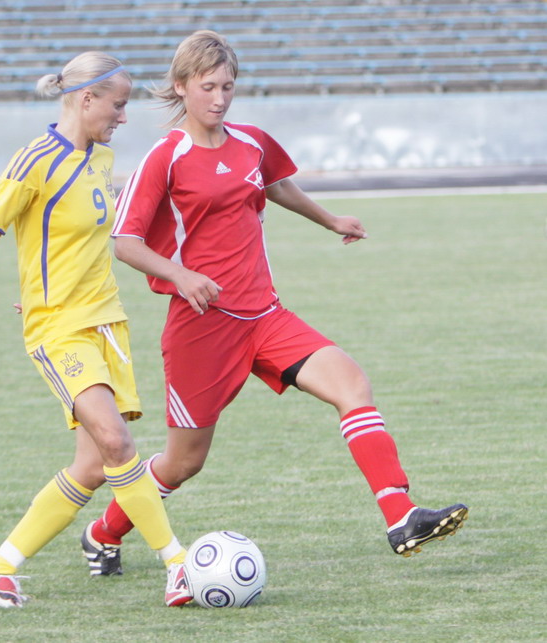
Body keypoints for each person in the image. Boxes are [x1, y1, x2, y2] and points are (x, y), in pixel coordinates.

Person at [79, 31, 468, 577]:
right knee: (183, 462)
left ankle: (399, 514)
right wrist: (181, 275)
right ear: (181, 86)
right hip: (201, 330)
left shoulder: (252, 142)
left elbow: (276, 186)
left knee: (352, 384)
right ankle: (103, 532)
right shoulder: (165, 157)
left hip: (265, 316)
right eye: (208, 87)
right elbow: (126, 242)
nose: (220, 98)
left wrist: (330, 219)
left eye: (228, 86)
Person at [0, 51, 192, 608]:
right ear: (86, 99)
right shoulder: (34, 160)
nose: (123, 117)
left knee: (91, 466)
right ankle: (178, 564)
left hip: (107, 323)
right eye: (118, 105)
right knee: (117, 442)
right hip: (59, 327)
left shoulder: (102, 159)